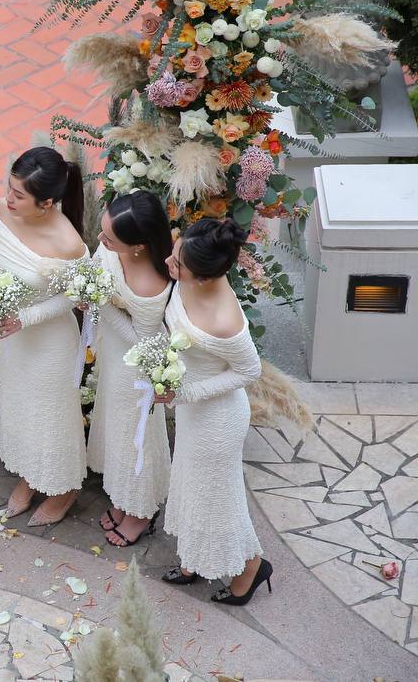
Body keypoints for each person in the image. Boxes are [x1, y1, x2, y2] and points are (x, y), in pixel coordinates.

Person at [160, 218, 272, 605]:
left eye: (178, 264)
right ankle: (195, 557)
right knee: (191, 486)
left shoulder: (226, 323)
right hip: (193, 411)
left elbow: (249, 371)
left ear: (205, 278)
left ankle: (252, 566)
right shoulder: (197, 268)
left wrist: (186, 392)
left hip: (218, 420)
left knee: (219, 499)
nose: (169, 263)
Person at [0, 146, 89, 527]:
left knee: (51, 417)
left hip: (49, 343)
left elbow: (75, 298)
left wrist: (25, 318)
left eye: (18, 195)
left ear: (46, 203)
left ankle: (65, 488)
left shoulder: (69, 244)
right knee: (19, 411)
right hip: (11, 339)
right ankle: (30, 476)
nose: (7, 198)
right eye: (9, 188)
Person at [87, 192, 173, 547]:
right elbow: (97, 272)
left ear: (137, 246)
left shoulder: (155, 281)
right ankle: (123, 498)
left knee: (135, 438)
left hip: (137, 372)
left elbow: (147, 341)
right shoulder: (112, 249)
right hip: (112, 356)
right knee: (115, 432)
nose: (100, 241)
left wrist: (102, 302)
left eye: (109, 239)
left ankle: (140, 510)